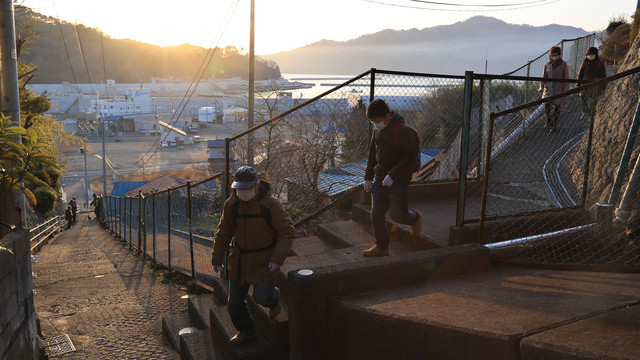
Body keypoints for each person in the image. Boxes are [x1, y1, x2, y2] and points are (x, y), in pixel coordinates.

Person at [211, 166, 294, 346]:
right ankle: (247, 330)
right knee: (233, 304)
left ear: (257, 185)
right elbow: (224, 232)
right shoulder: (231, 205)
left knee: (262, 297)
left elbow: (286, 231)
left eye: (247, 188)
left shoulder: (271, 205)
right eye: (240, 188)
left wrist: (277, 258)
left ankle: (273, 301)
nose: (243, 192)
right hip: (239, 260)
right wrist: (217, 259)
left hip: (265, 260)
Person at [362, 99, 423, 257]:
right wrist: (368, 177)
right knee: (376, 215)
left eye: (377, 121)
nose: (375, 125)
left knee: (398, 215)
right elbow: (372, 156)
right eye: (373, 122)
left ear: (387, 116)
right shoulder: (377, 132)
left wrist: (392, 175)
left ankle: (415, 218)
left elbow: (409, 158)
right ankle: (382, 247)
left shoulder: (404, 131)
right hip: (379, 180)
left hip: (398, 182)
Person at [539, 46, 570, 132]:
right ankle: (549, 121)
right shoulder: (547, 64)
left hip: (558, 90)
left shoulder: (563, 64)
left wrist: (566, 91)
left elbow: (566, 78)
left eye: (556, 55)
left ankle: (554, 124)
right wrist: (541, 87)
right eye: (552, 55)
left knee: (557, 108)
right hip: (548, 90)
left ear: (559, 55)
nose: (554, 57)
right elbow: (543, 77)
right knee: (547, 108)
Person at [577, 47, 607, 115]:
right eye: (589, 54)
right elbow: (580, 74)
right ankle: (586, 111)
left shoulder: (600, 64)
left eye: (592, 54)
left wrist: (603, 86)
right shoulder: (585, 63)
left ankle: (592, 111)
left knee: (594, 99)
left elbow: (603, 76)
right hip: (585, 85)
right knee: (583, 97)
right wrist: (578, 84)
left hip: (595, 85)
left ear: (595, 54)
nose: (590, 56)